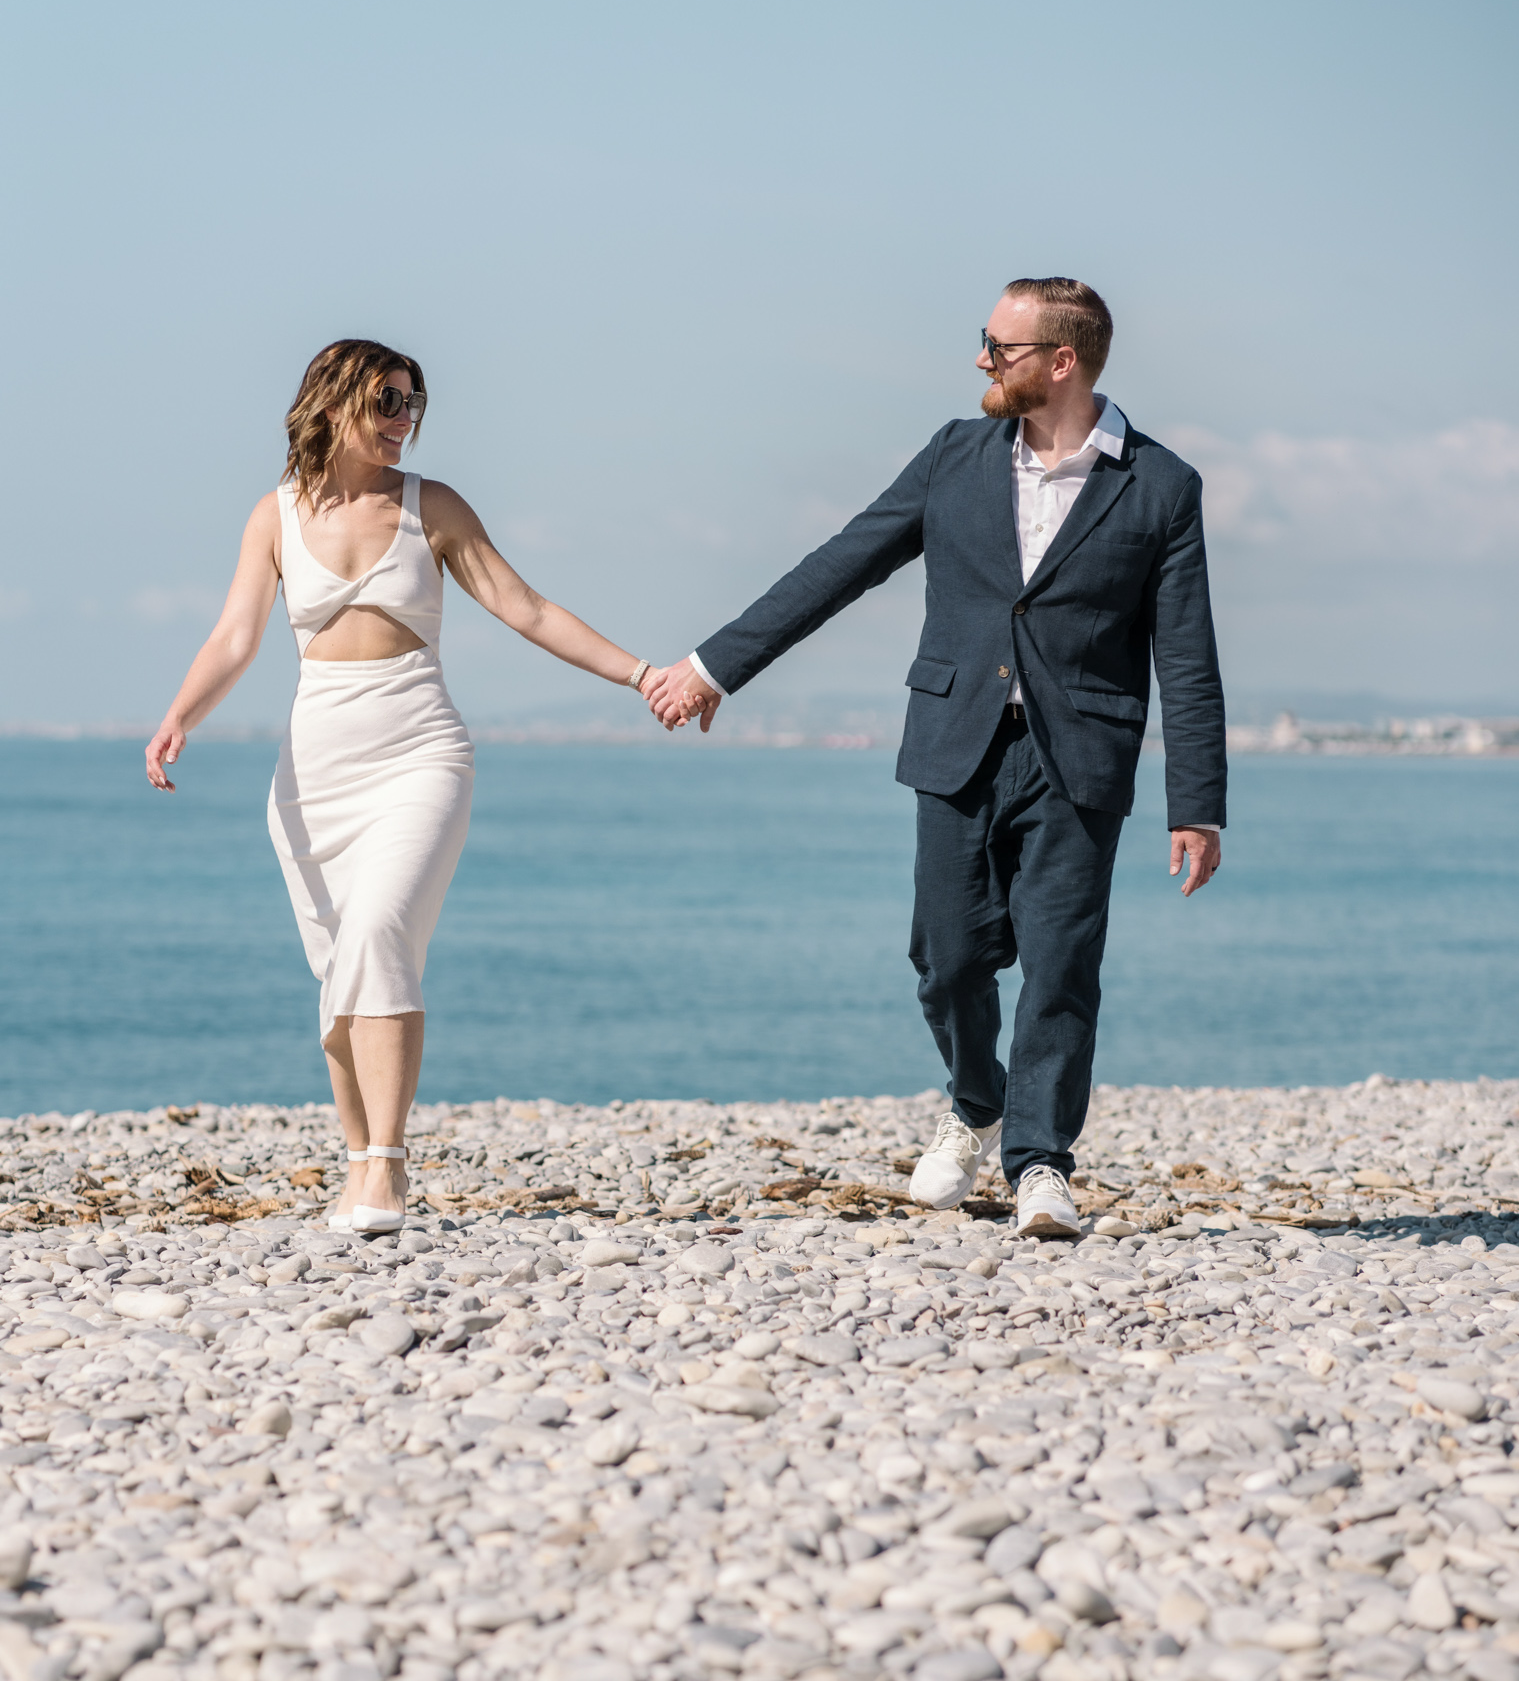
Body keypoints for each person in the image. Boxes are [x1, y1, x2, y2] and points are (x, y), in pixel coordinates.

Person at [648, 278, 1226, 1238]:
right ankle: (975, 1102)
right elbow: (843, 563)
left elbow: (1189, 654)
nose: (981, 360)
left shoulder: (1162, 486)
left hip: (1080, 753)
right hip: (955, 740)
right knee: (946, 958)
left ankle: (1039, 1161)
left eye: (998, 346)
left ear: (1061, 361)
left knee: (1061, 964)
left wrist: (1195, 802)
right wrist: (714, 669)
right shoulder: (954, 456)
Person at [146, 339, 661, 1234]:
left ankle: (385, 1168)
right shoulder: (273, 516)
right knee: (342, 975)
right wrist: (180, 714)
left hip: (420, 754)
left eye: (414, 404)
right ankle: (358, 1165)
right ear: (336, 400)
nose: (404, 420)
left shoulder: (434, 508)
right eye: (389, 401)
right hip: (312, 778)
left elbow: (527, 608)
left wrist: (642, 674)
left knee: (381, 932)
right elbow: (236, 636)